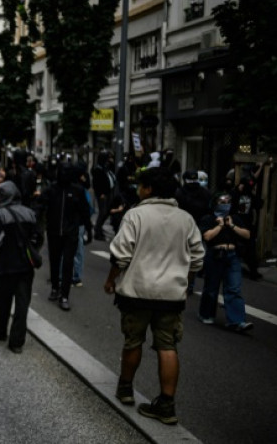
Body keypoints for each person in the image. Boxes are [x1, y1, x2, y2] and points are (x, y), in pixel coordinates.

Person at [104, 167, 204, 425]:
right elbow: (197, 258)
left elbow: (121, 254)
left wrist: (111, 278)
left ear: (148, 189)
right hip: (172, 296)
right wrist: (185, 280)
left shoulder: (135, 215)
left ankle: (126, 389)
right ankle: (167, 404)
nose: (138, 189)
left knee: (133, 341)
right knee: (168, 346)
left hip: (137, 292)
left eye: (141, 185)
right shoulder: (186, 219)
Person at [0, 182, 40, 354]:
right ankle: (16, 341)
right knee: (22, 304)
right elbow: (38, 238)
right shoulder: (30, 213)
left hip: (4, 265)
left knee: (2, 300)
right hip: (25, 266)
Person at [196, 193, 254, 332]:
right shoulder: (208, 219)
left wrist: (232, 226)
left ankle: (237, 321)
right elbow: (207, 237)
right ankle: (206, 314)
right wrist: (220, 226)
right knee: (211, 288)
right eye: (222, 201)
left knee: (234, 288)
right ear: (215, 203)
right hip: (215, 255)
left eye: (228, 201)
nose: (225, 203)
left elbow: (247, 234)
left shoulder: (234, 218)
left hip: (232, 256)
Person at [45, 162, 92, 311]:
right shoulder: (52, 189)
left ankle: (64, 295)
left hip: (70, 233)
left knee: (67, 264)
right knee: (54, 261)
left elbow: (85, 212)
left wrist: (89, 231)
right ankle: (54, 287)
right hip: (54, 232)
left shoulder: (77, 191)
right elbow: (41, 206)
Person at [91, 151, 116, 241]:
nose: (108, 160)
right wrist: (100, 193)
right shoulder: (98, 169)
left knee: (107, 212)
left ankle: (99, 228)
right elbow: (96, 183)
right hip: (102, 194)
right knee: (103, 212)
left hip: (108, 192)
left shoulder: (106, 168)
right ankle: (98, 231)